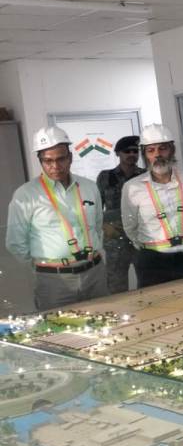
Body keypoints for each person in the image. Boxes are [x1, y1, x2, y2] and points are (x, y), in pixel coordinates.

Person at [6, 126, 107, 311]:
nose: (55, 166)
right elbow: (15, 242)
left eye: (61, 159)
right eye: (48, 161)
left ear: (70, 157)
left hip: (95, 273)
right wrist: (45, 265)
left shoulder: (89, 187)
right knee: (58, 327)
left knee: (106, 321)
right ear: (40, 161)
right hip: (54, 280)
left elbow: (98, 226)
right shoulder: (26, 195)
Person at [121, 123, 183, 288]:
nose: (157, 155)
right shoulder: (132, 187)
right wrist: (150, 246)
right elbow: (130, 227)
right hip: (152, 262)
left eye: (162, 148)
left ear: (172, 150)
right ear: (145, 154)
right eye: (151, 150)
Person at [96, 135, 145, 294]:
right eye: (127, 151)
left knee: (147, 281)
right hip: (115, 239)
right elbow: (97, 208)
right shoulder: (106, 177)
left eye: (135, 151)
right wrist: (104, 226)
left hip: (140, 236)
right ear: (118, 153)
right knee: (116, 286)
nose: (132, 154)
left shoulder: (145, 176)